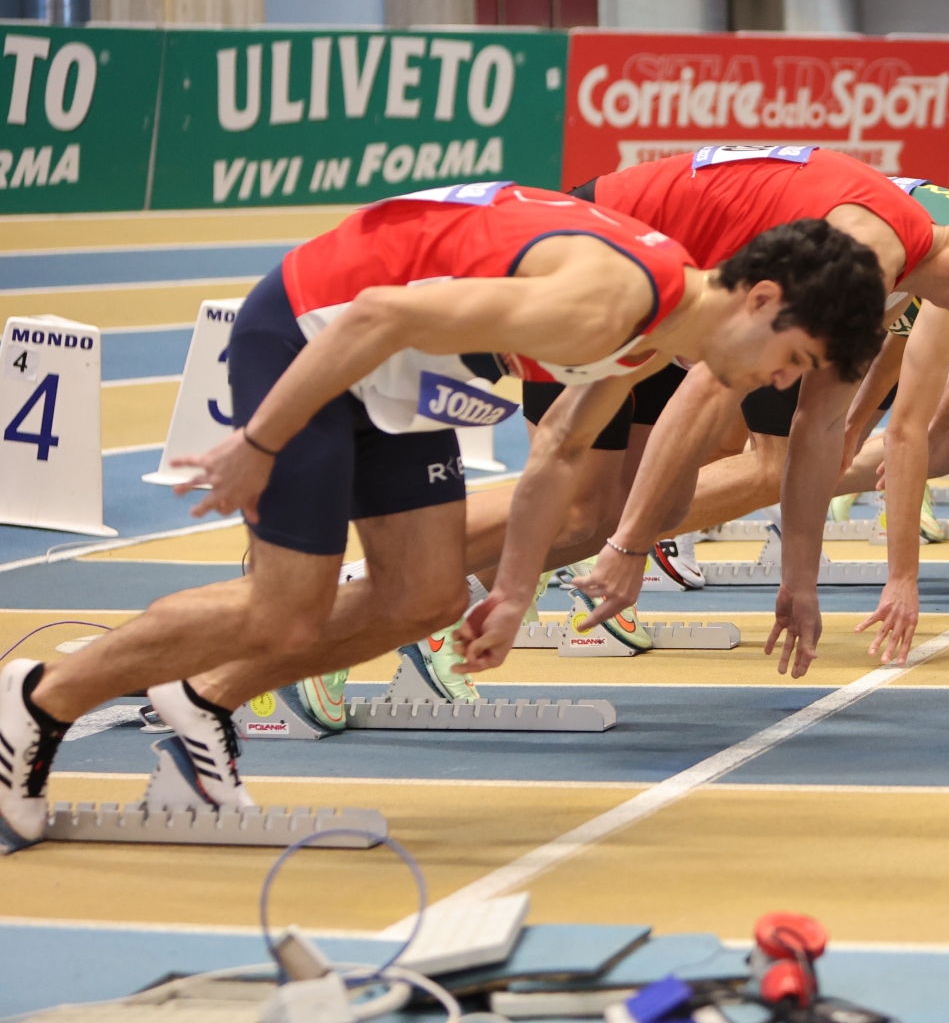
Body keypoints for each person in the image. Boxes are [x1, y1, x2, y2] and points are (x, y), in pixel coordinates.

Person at [0, 181, 886, 849]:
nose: (779, 383)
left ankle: (197, 704)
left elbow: (558, 454)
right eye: (792, 359)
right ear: (762, 299)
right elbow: (381, 310)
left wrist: (506, 590)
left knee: (426, 597)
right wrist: (259, 443)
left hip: (409, 380)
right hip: (316, 335)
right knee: (285, 610)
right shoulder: (612, 300)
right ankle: (38, 700)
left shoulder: (657, 325)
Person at [508, 154, 949, 681]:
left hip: (666, 285)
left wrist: (799, 583)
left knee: (655, 505)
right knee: (586, 515)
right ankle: (439, 605)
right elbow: (717, 381)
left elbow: (818, 428)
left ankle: (463, 588)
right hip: (594, 246)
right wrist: (630, 548)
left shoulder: (890, 282)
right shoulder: (866, 257)